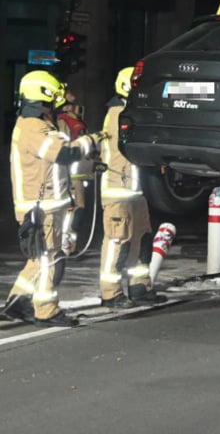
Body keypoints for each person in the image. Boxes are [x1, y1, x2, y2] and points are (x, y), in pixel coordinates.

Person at [3, 70, 106, 326]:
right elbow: (63, 153)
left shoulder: (33, 125)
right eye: (54, 101)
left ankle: (19, 301)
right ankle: (46, 309)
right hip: (42, 207)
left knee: (39, 257)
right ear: (44, 98)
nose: (57, 107)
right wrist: (90, 142)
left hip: (44, 203)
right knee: (52, 258)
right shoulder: (33, 128)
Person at [98, 67, 165, 308]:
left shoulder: (130, 112)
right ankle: (110, 292)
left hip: (134, 189)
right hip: (119, 189)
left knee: (141, 238)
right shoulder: (119, 113)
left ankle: (139, 286)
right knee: (118, 242)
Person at [55, 90, 95, 251]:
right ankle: (66, 244)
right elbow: (64, 147)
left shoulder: (77, 121)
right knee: (75, 209)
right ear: (65, 108)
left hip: (82, 171)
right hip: (72, 173)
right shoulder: (63, 122)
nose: (77, 107)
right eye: (72, 104)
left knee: (79, 208)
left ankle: (69, 244)